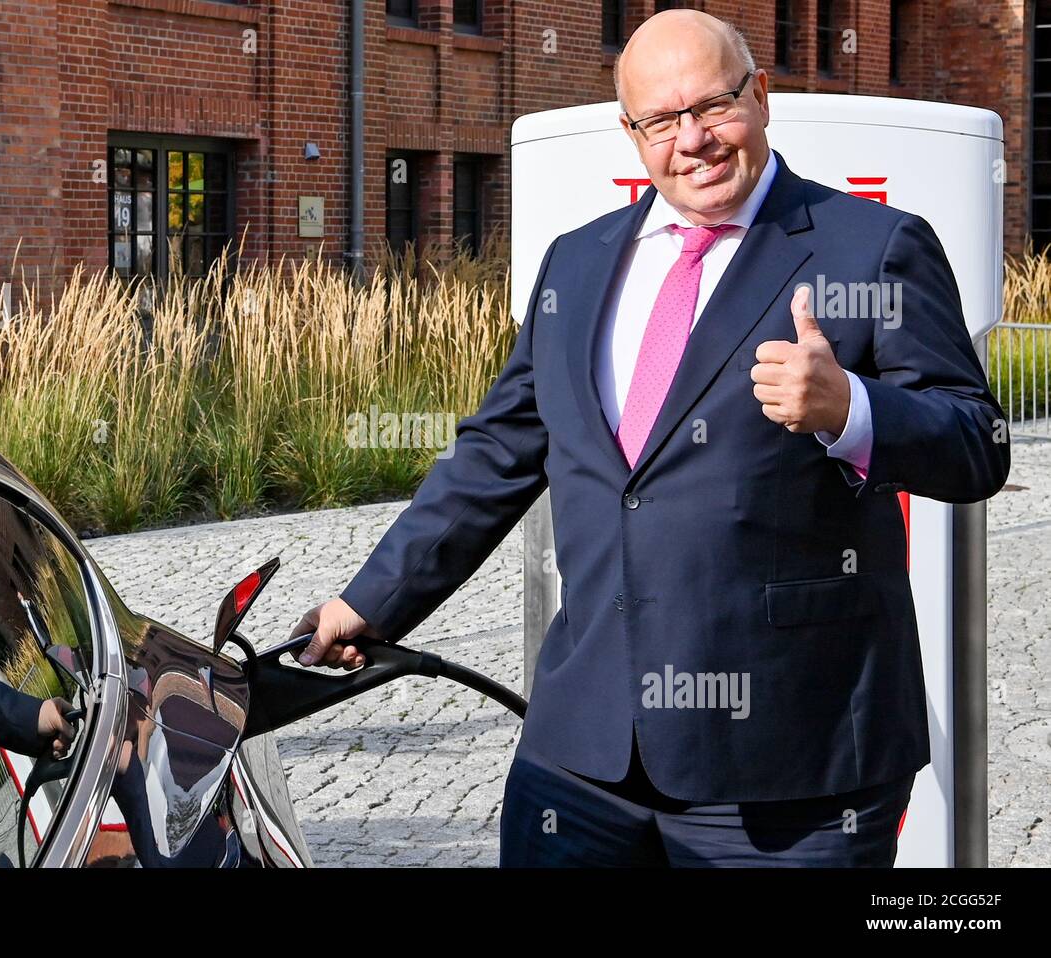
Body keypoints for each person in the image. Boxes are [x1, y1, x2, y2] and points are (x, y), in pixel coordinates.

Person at [289, 9, 1010, 866]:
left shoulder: (872, 247)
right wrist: (368, 601)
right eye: (662, 120)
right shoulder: (577, 264)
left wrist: (851, 408)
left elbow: (978, 442)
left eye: (714, 106)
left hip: (791, 773)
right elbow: (495, 454)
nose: (693, 140)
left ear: (763, 97)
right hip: (584, 760)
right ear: (631, 133)